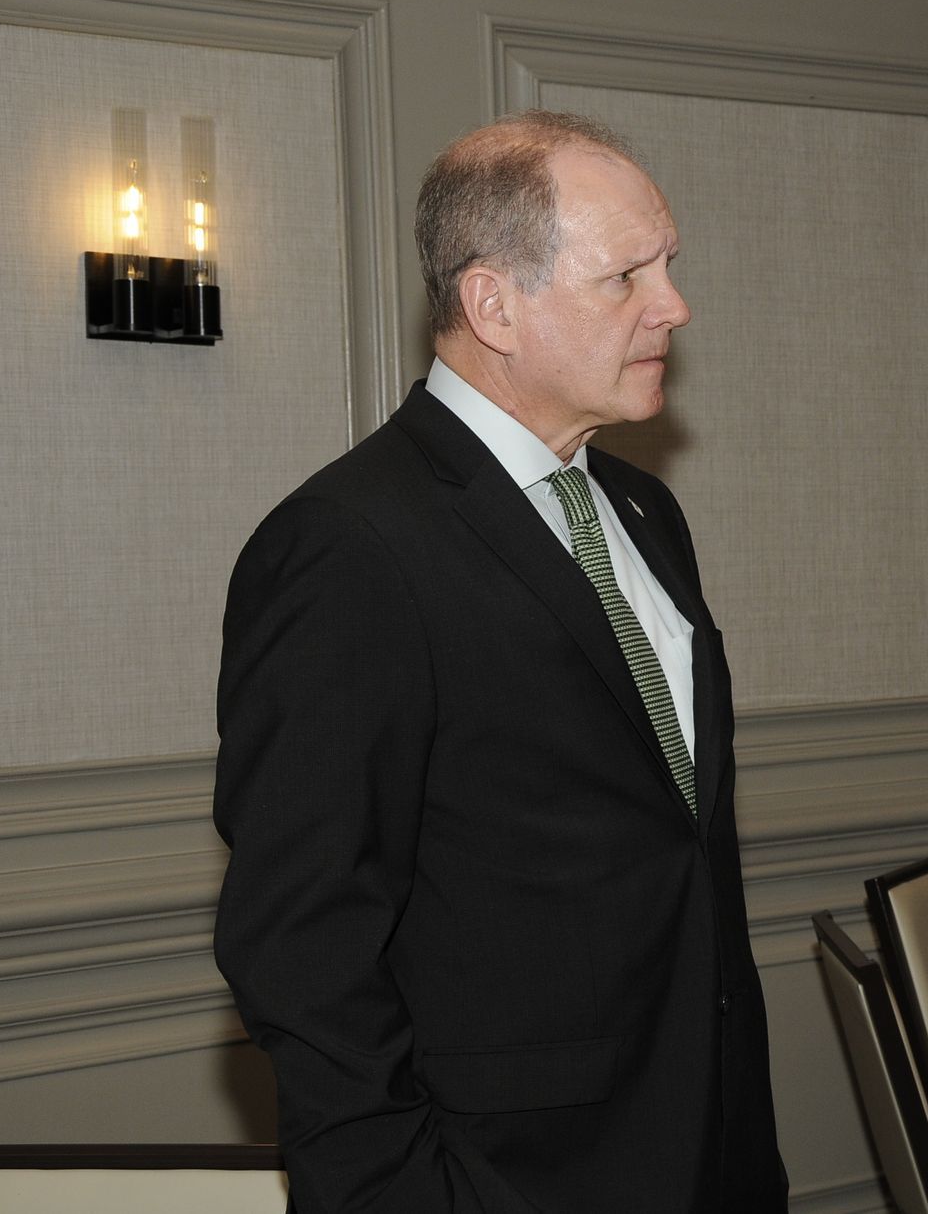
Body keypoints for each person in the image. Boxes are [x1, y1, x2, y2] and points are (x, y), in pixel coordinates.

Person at [214, 111, 786, 1213]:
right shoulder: (349, 546)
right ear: (493, 305)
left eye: (669, 265)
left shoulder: (644, 510)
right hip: (507, 1181)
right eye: (627, 276)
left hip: (710, 1155)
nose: (674, 305)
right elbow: (301, 941)